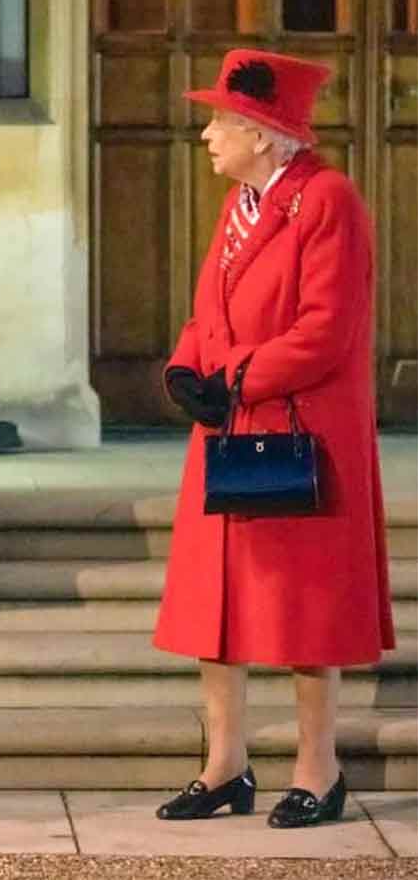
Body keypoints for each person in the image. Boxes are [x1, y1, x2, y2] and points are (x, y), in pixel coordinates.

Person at [153, 50, 395, 828]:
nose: (208, 135)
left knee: (304, 609)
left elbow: (326, 331)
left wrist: (238, 378)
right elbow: (208, 312)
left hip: (298, 432)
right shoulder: (242, 207)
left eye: (221, 120)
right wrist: (187, 367)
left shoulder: (329, 203)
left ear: (263, 132)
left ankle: (318, 771)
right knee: (214, 607)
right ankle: (225, 766)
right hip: (231, 424)